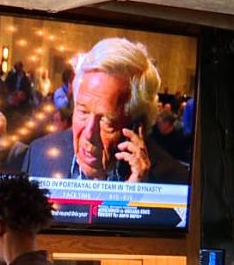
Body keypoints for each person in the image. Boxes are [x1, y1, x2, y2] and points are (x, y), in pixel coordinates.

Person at [10, 37, 189, 184]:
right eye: (83, 112)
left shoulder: (173, 181)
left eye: (107, 121)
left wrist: (136, 199)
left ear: (137, 126)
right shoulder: (39, 154)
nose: (88, 134)